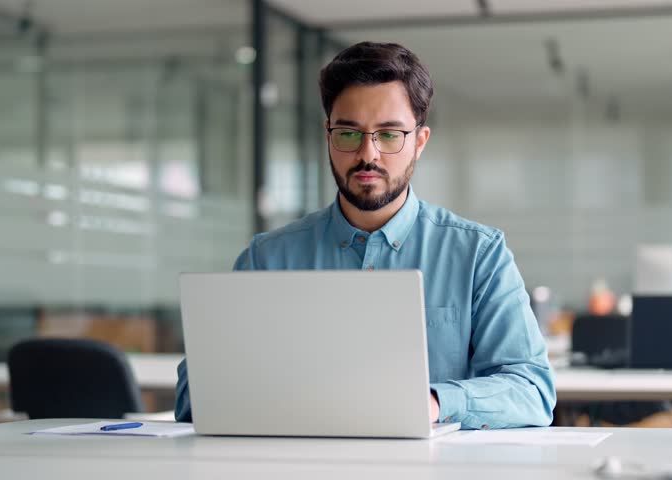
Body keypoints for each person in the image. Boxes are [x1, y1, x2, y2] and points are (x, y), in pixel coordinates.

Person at [175, 41, 555, 429]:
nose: (368, 154)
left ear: (419, 142)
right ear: (327, 134)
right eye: (349, 133)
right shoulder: (267, 258)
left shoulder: (479, 254)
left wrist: (434, 401)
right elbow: (192, 398)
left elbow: (532, 391)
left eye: (389, 135)